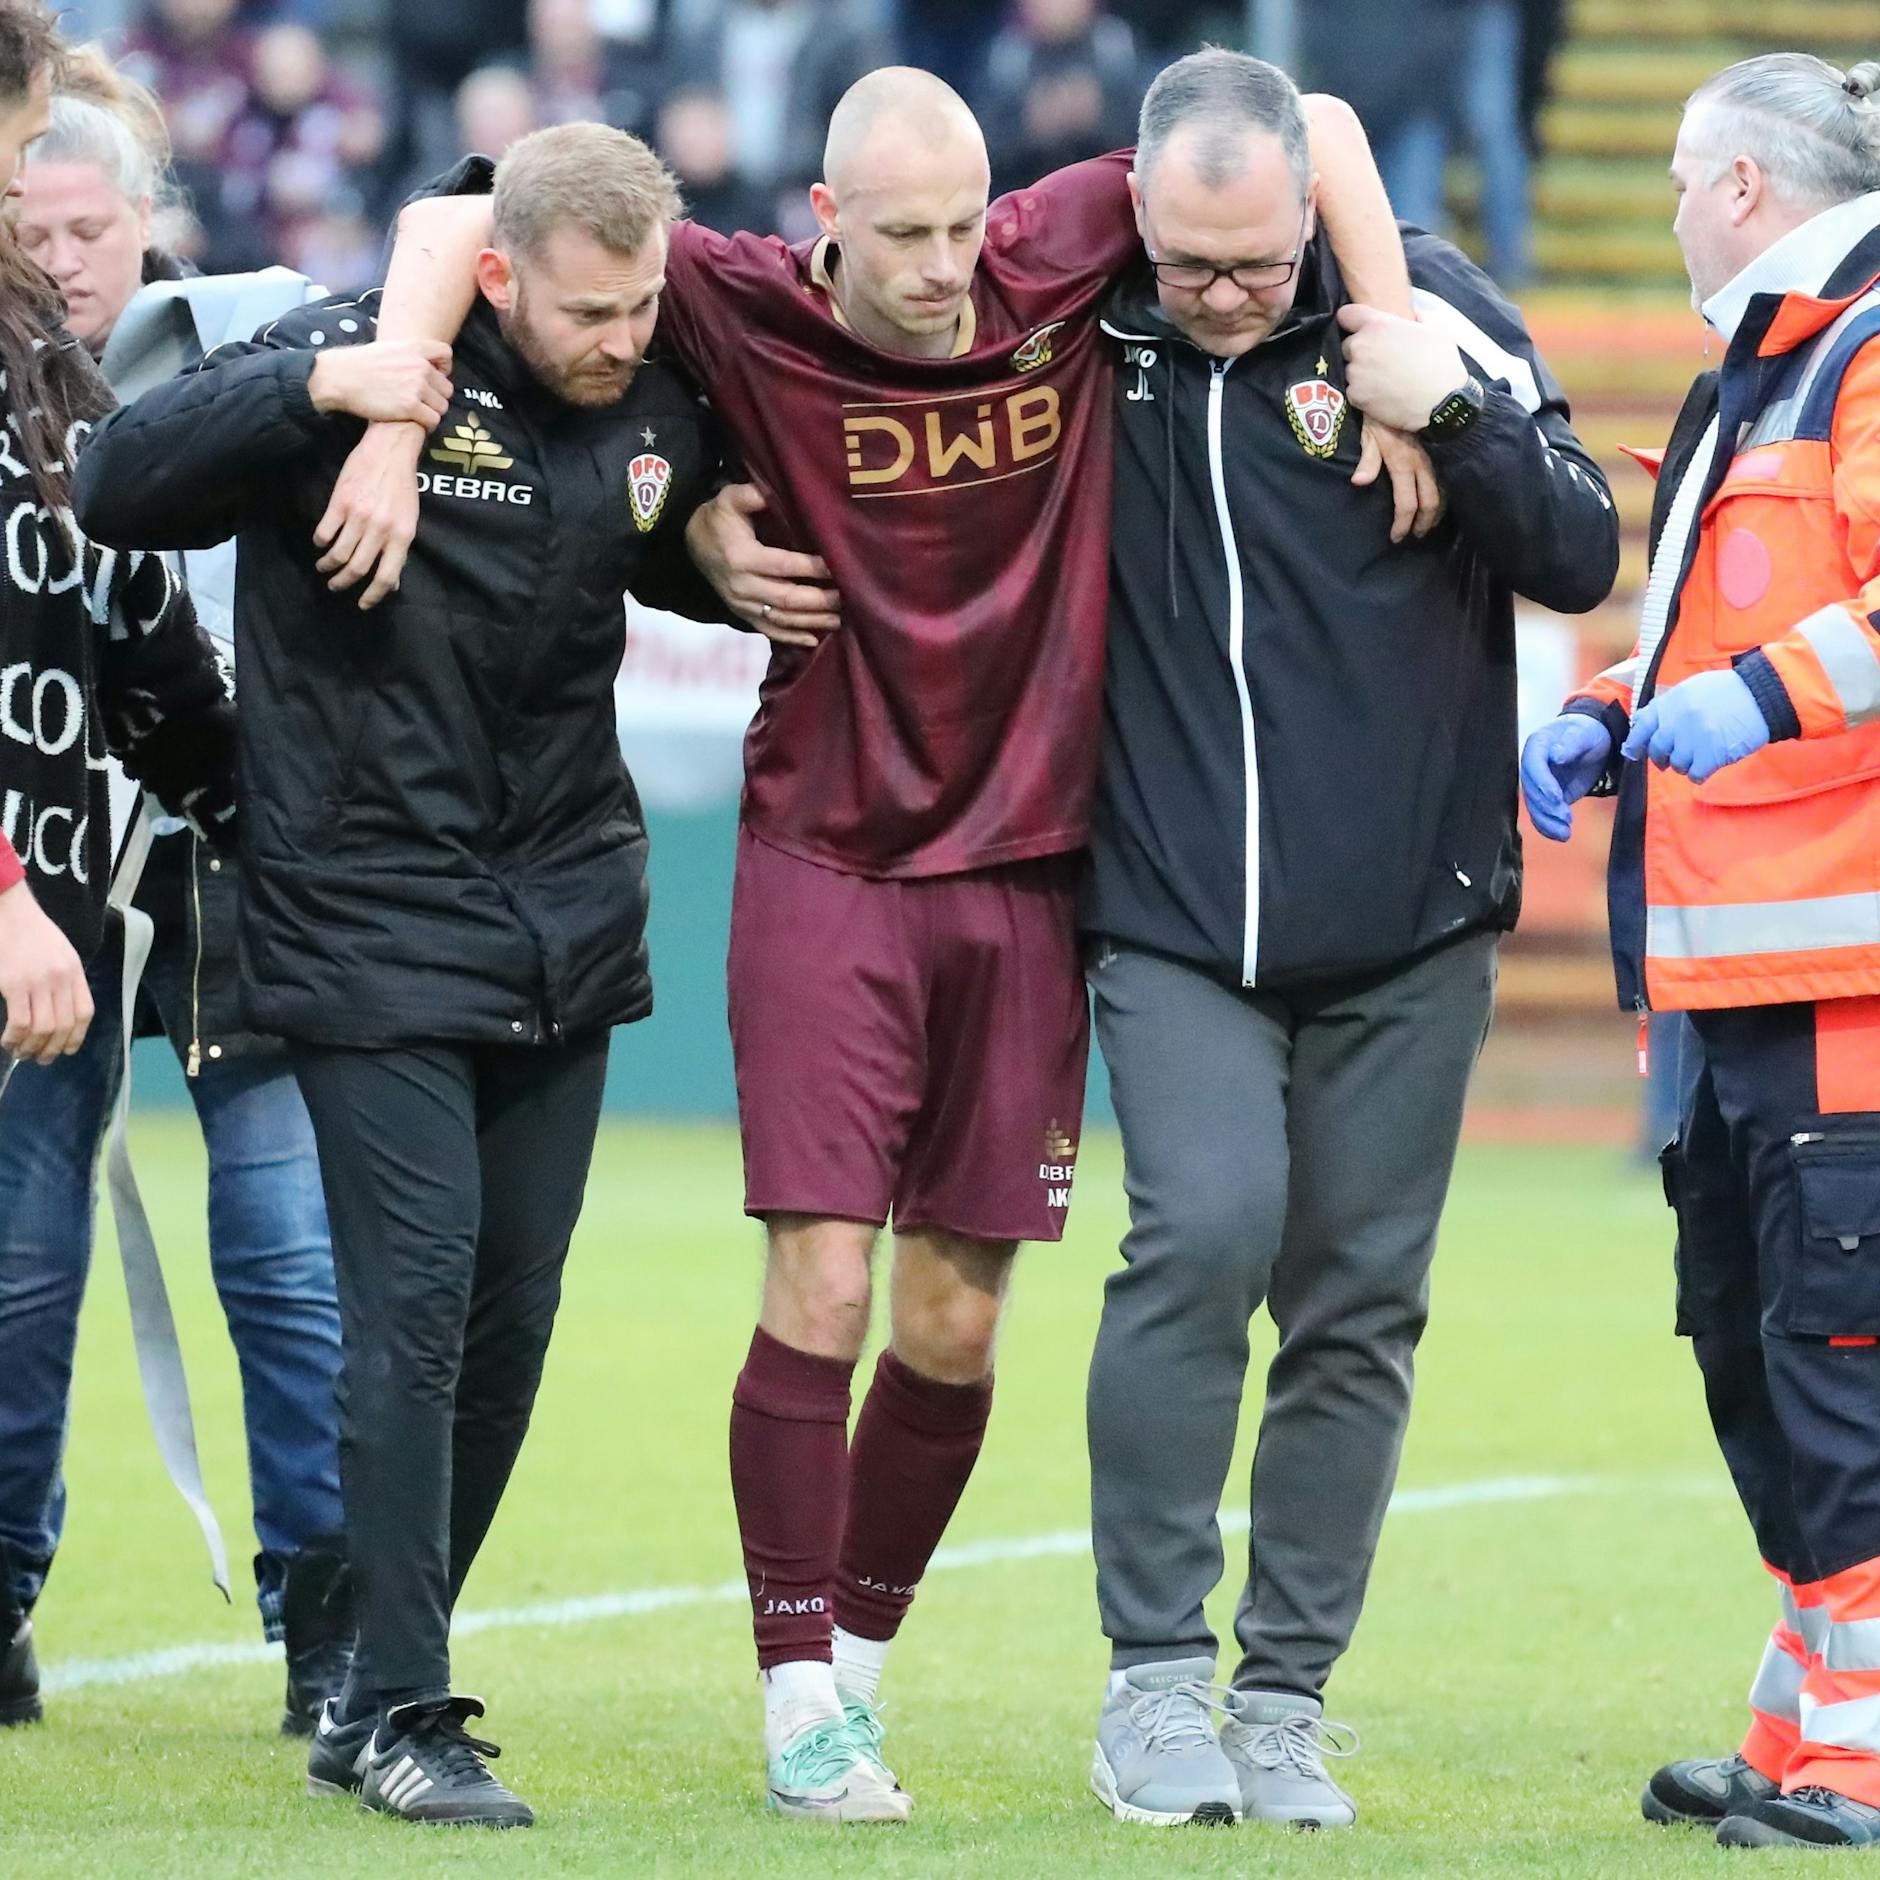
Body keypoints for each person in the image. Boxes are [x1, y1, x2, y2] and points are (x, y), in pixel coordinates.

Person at [363, 66, 1432, 1822]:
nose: (945, 270)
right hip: (825, 853)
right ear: (830, 223)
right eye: (908, 235)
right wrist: (407, 431)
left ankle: (858, 1669)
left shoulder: (1057, 250)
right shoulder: (737, 297)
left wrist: (1391, 365)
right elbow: (451, 220)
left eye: (966, 225)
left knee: (951, 1326)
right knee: (828, 1286)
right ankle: (797, 1695)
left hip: (1030, 871)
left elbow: (1318, 116)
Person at [74, 121, 725, 1827]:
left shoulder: (657, 391)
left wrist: (726, 551)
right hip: (364, 919)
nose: (624, 340)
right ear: (497, 272)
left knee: (509, 1329)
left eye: (643, 305)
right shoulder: (358, 355)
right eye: (591, 311)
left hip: (568, 923)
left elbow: (684, 513)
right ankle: (411, 1712)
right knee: (415, 1311)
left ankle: (369, 1680)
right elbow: (121, 479)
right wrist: (340, 399)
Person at [1075, 49, 1616, 1829]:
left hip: (1409, 922)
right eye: (1188, 263)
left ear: (1310, 216)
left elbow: (1580, 551)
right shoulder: (1094, 319)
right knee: (1202, 1234)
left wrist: (1449, 410)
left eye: (1253, 265)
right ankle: (1152, 1685)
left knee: (1360, 1305)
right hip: (1169, 914)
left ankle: (1284, 1698)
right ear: (1138, 208)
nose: (1221, 297)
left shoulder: (1427, 305)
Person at [1521, 53, 1880, 1853]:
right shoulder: (1777, 369)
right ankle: (1808, 1725)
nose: (1665, 212)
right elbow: (1720, 620)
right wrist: (1616, 702)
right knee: (1760, 1357)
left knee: (1836, 1360)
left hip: (1843, 984)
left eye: (1678, 183)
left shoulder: (1865, 352)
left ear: (1742, 184)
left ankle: (1863, 1759)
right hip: (1734, 969)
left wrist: (1755, 693)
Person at [0, 45, 349, 1739]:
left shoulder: (262, 347)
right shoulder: (6, 396)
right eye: (26, 224)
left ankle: (329, 1622)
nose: (59, 256)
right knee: (19, 1263)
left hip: (232, 875)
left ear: (152, 222)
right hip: (42, 870)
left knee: (286, 1255)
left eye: (87, 225)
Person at [0, 0, 238, 1722]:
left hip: (61, 950)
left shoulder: (89, 423)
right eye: (23, 195)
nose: (39, 223)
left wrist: (299, 844)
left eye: (68, 203)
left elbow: (159, 675)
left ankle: (1, 1606)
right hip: (29, 924)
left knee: (24, 1305)